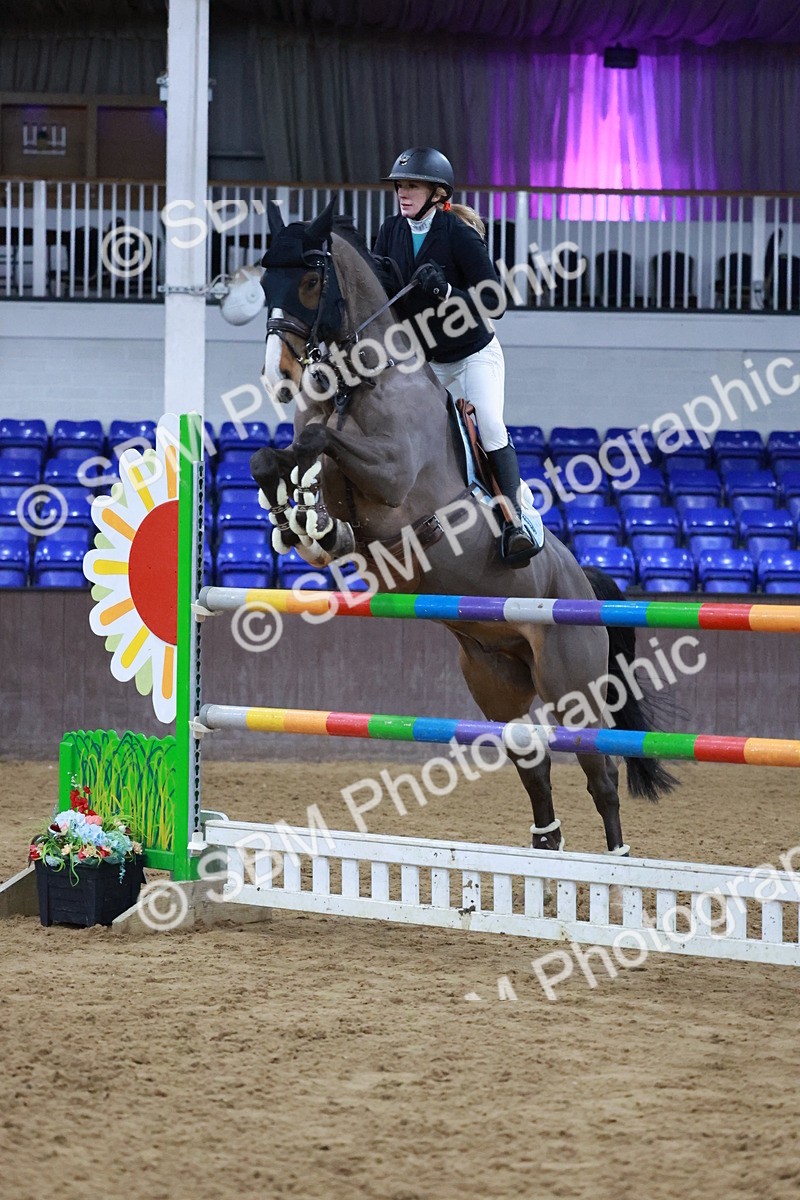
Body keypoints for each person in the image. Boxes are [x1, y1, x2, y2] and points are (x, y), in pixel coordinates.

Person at [372, 147, 539, 566]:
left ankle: (518, 518)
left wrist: (447, 291)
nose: (403, 192)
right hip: (426, 363)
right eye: (399, 186)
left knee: (488, 420)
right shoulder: (389, 232)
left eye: (411, 185)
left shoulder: (457, 233)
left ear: (436, 192)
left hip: (472, 356)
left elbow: (495, 301)